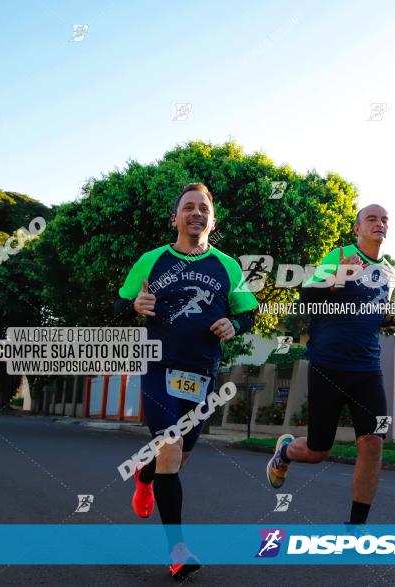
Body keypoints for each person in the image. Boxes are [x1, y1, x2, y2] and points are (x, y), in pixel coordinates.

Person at [113, 183, 258, 579]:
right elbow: (121, 302)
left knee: (179, 457)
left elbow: (248, 313)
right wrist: (135, 305)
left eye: (203, 208)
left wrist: (235, 322)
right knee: (171, 446)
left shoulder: (227, 266)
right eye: (188, 207)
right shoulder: (152, 260)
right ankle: (177, 550)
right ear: (175, 217)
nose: (196, 213)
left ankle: (144, 476)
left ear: (212, 219)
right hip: (158, 367)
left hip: (201, 374)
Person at [266, 204, 395, 525]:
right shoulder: (338, 256)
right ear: (357, 228)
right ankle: (287, 451)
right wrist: (336, 279)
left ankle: (355, 528)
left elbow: (374, 315)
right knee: (318, 452)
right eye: (371, 219)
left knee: (373, 443)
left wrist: (394, 319)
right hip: (328, 364)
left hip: (367, 369)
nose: (379, 224)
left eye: (385, 219)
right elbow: (307, 297)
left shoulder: (388, 271)